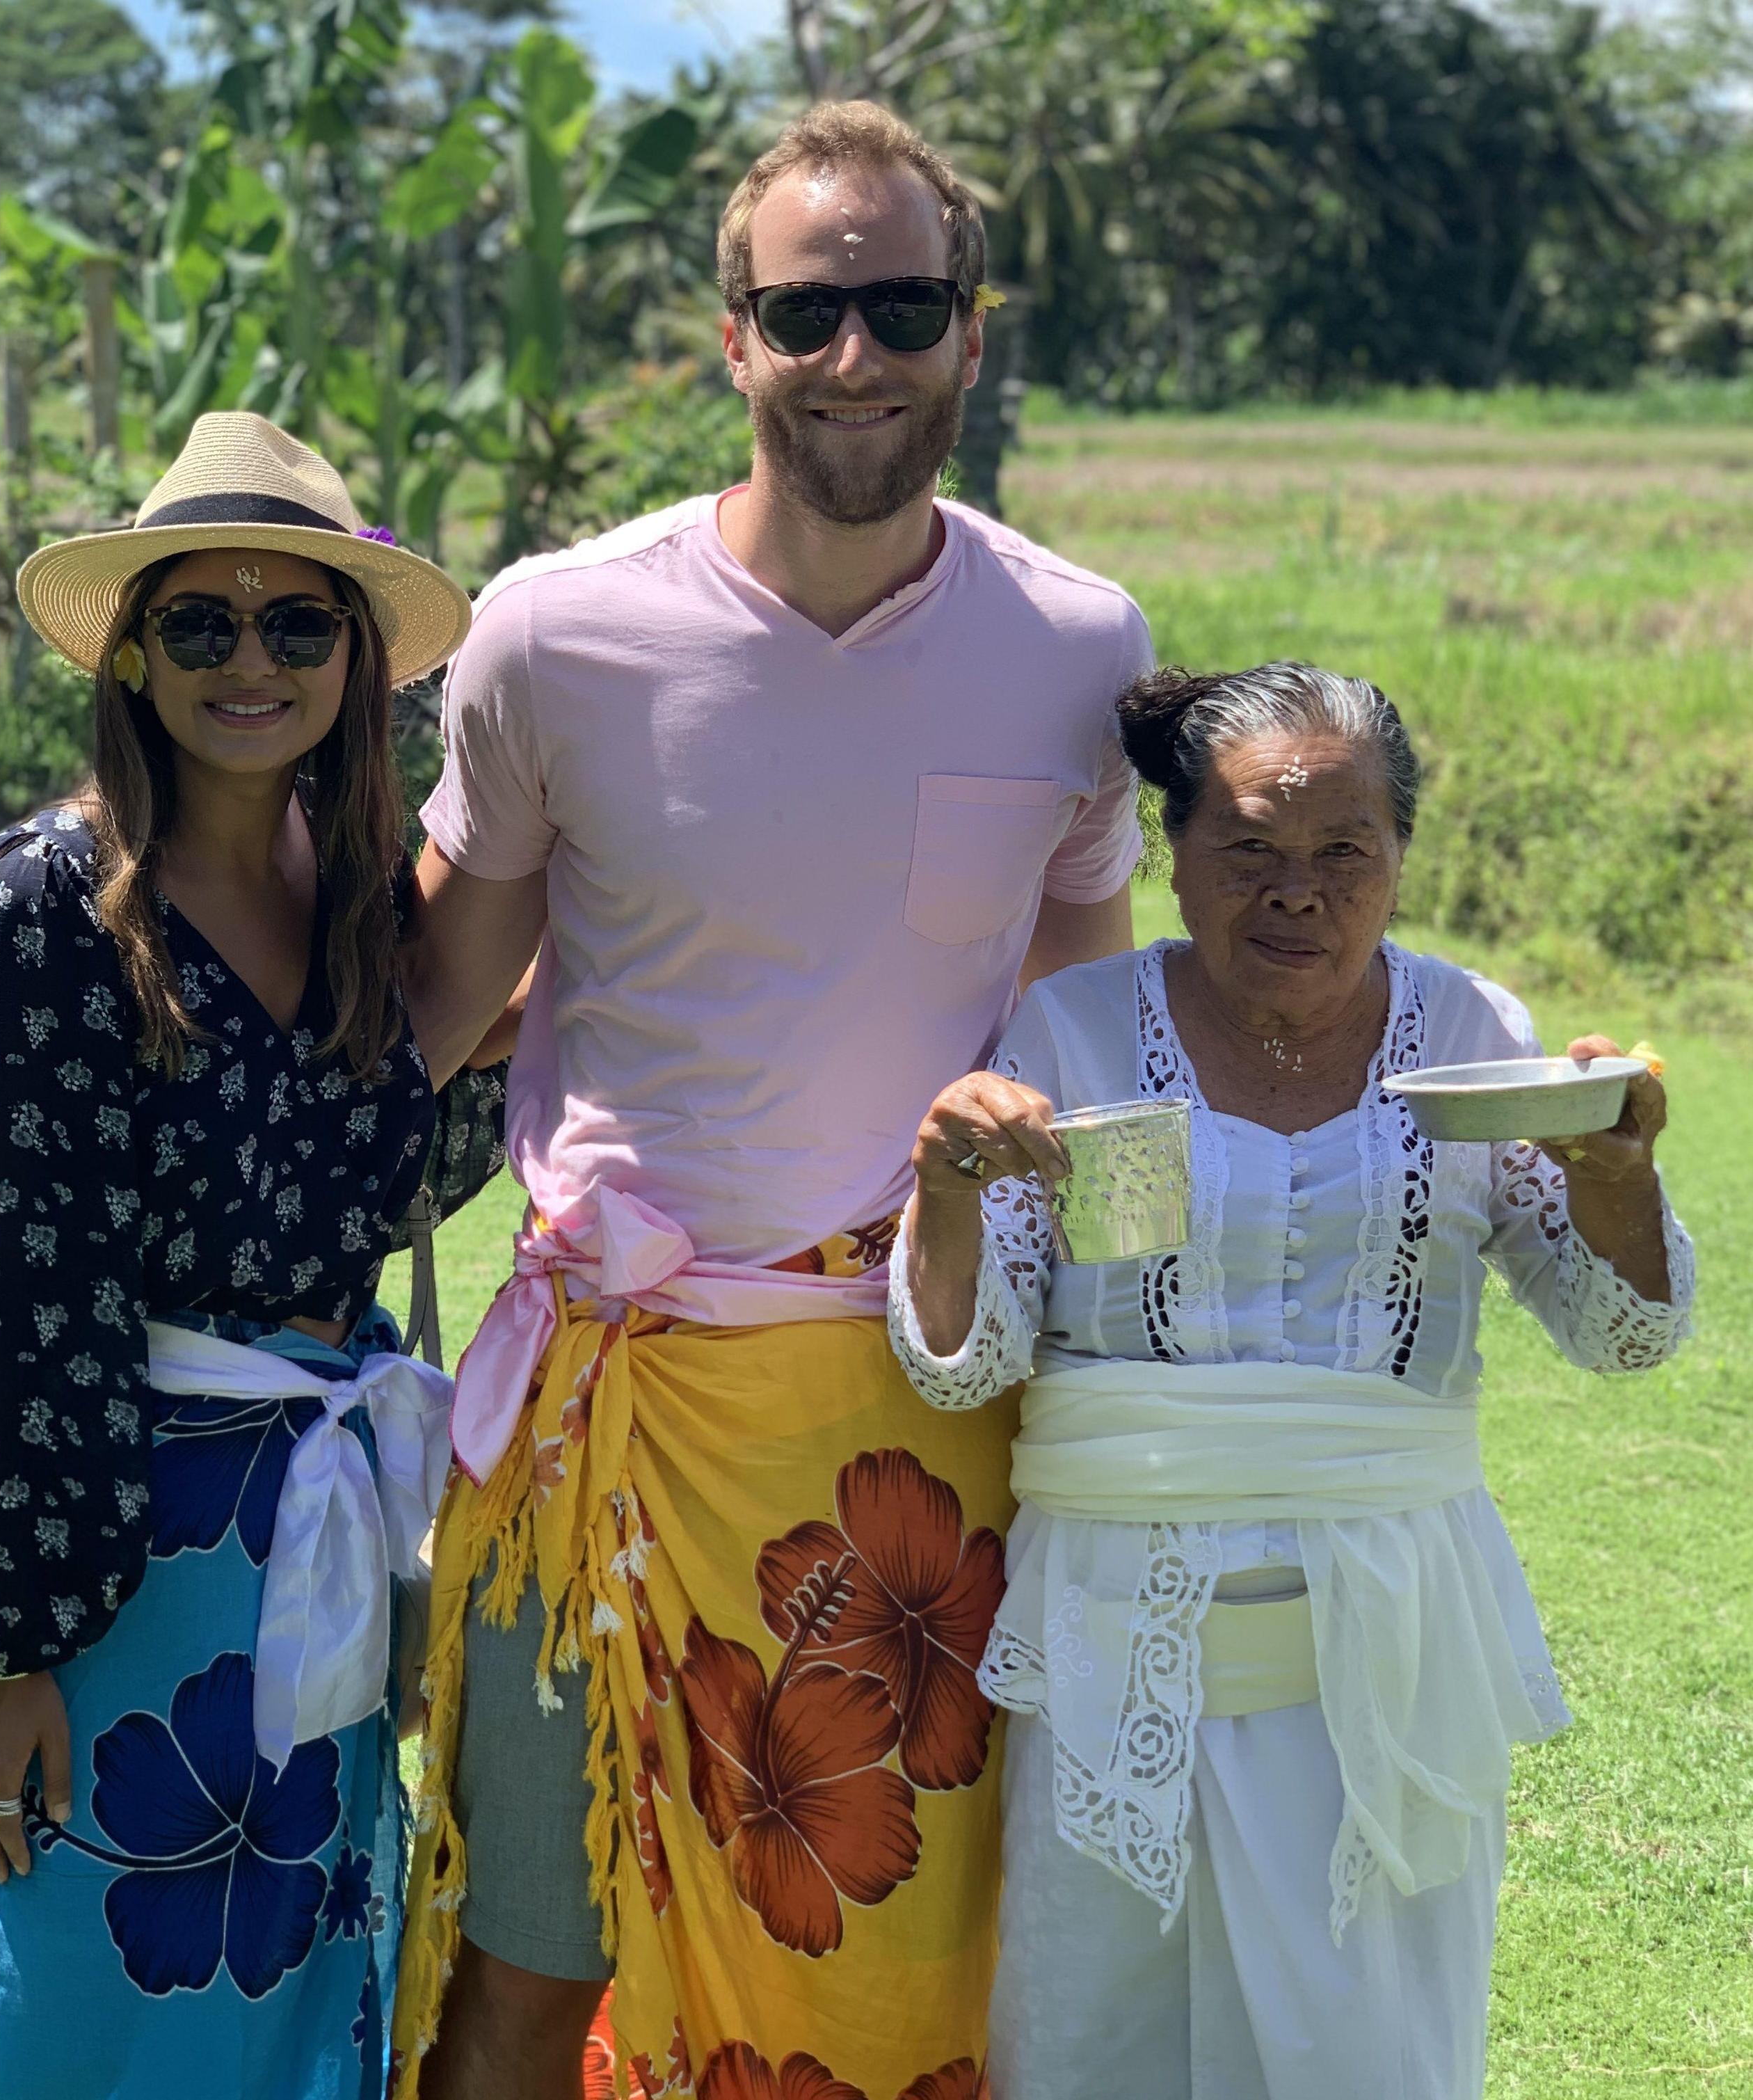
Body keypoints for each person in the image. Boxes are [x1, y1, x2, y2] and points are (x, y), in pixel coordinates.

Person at [392, 103, 1153, 2100]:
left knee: (902, 1982)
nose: (857, 356)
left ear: (970, 335)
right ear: (729, 336)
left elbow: (1083, 1046)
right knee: (532, 1971)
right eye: (807, 310)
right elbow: (423, 1007)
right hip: (617, 1425)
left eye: (905, 306)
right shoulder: (552, 636)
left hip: (924, 1439)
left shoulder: (1076, 650)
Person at [889, 661, 1696, 2099]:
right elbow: (968, 1367)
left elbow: (1616, 1335)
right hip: (1112, 1635)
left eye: (1344, 855)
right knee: (1093, 2041)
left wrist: (1613, 1178)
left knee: (1363, 2047)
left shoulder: (1465, 1037)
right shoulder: (1070, 1036)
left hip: (1386, 1643)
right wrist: (943, 1184)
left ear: (1397, 860)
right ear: (1170, 855)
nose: (1295, 893)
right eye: (1247, 850)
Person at [0, 411, 477, 2100]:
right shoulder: (47, 907)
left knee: (301, 2003)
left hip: (310, 1547)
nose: (251, 659)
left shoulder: (360, 886)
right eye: (201, 621)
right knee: (96, 2010)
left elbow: (367, 1181)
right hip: (121, 1566)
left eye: (296, 621)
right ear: (136, 654)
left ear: (355, 658)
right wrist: (1, 1656)